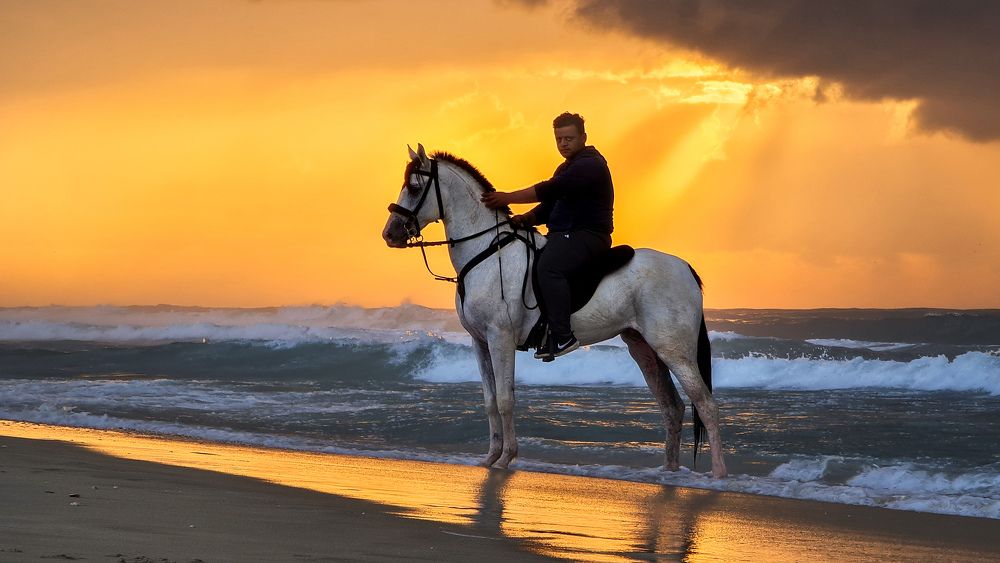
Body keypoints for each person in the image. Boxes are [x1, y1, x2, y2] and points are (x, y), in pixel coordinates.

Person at [481, 112, 614, 359]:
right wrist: (527, 218)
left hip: (587, 236)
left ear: (583, 137)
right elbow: (550, 205)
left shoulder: (590, 165)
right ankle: (541, 329)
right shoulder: (566, 167)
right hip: (563, 234)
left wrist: (508, 197)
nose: (563, 143)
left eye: (569, 138)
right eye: (559, 139)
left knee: (549, 268)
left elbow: (550, 189)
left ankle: (563, 336)